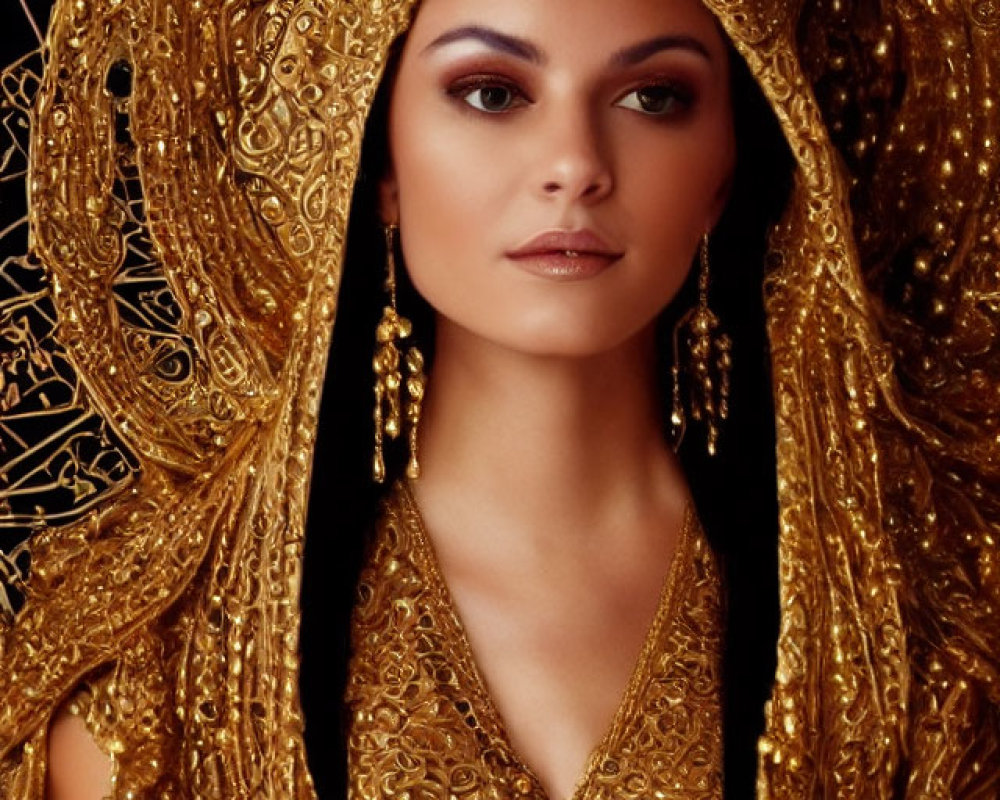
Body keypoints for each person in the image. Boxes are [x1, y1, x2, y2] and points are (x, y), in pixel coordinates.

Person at [1, 0, 998, 798]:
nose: (573, 165)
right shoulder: (162, 672)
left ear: (725, 177)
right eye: (489, 91)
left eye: (652, 97)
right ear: (376, 160)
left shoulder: (919, 648)